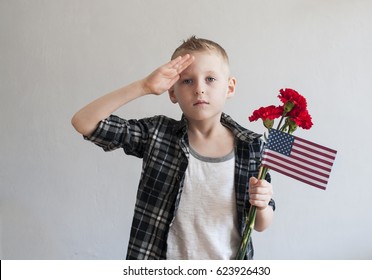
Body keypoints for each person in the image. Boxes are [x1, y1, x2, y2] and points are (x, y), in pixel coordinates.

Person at [71, 36, 275, 260]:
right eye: (187, 81)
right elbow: (84, 122)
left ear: (230, 87)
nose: (199, 89)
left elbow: (261, 225)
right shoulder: (157, 134)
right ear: (172, 92)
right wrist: (143, 87)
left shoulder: (252, 146)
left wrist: (263, 205)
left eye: (210, 79)